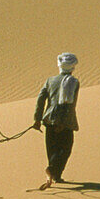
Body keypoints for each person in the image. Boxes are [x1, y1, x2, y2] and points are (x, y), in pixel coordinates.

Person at [33, 52, 80, 190]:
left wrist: (37, 119)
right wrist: (62, 122)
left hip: (48, 120)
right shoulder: (73, 82)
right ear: (72, 68)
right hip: (64, 121)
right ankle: (53, 171)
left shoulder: (50, 80)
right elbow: (67, 102)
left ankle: (56, 175)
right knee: (65, 148)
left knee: (52, 148)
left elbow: (40, 99)